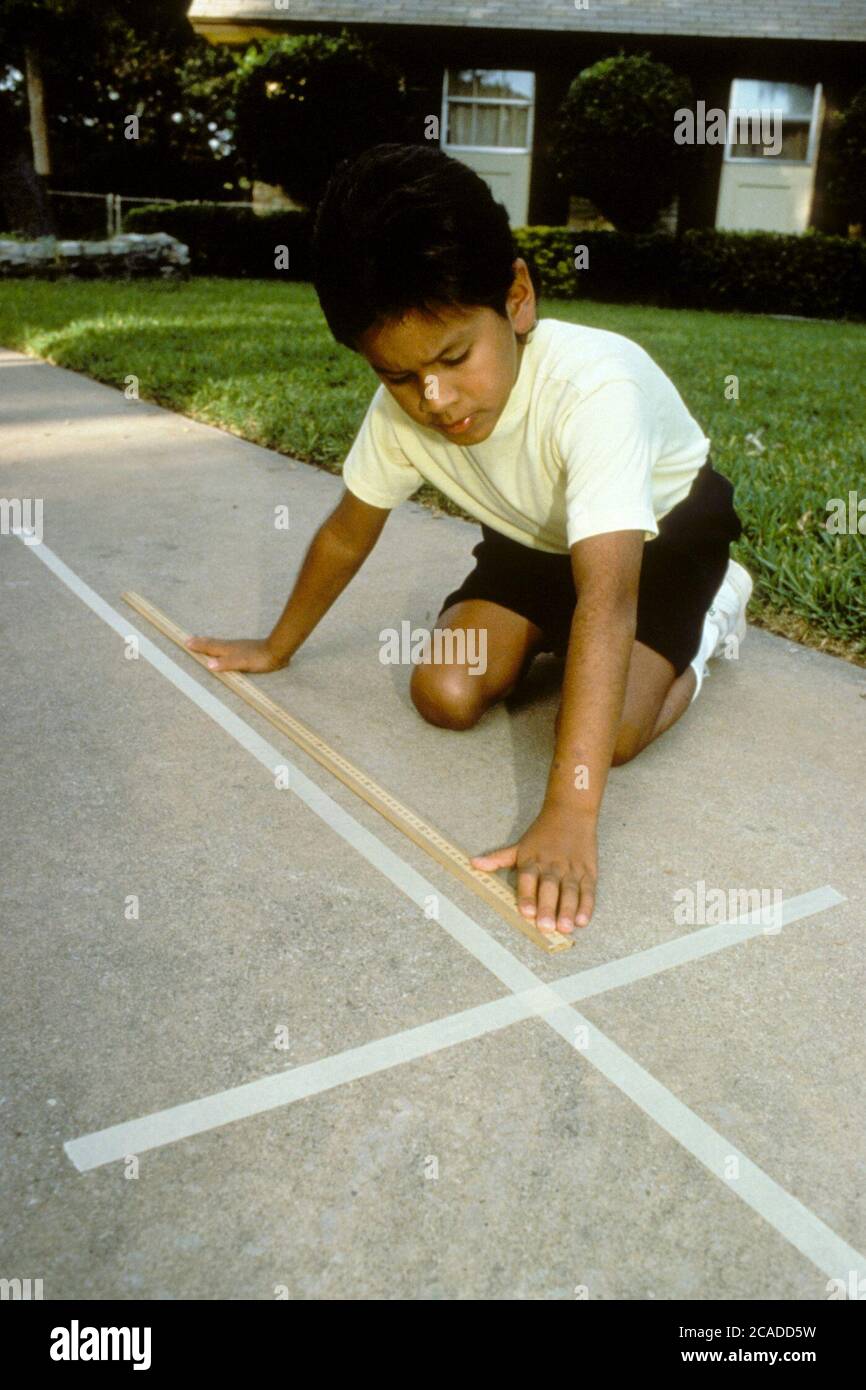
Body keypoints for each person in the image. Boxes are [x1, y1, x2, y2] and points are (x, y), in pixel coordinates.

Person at [188, 142, 751, 942]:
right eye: (398, 375)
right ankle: (551, 643)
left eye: (454, 357)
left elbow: (609, 595)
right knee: (444, 695)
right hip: (535, 538)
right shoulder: (408, 410)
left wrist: (567, 812)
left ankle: (713, 622)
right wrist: (277, 647)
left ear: (517, 297)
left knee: (609, 738)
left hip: (656, 541)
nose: (436, 399)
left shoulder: (597, 389)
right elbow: (349, 535)